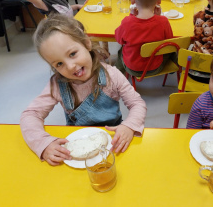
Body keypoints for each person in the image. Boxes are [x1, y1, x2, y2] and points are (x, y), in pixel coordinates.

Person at [20, 14, 147, 166]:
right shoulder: (57, 85)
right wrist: (43, 143)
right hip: (76, 148)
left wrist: (129, 126)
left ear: (87, 44)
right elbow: (30, 115)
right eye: (59, 64)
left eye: (72, 54)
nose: (70, 66)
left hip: (114, 142)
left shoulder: (112, 75)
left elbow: (137, 103)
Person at [115, 0, 173, 77]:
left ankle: (116, 76)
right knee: (171, 51)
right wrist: (158, 17)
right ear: (159, 0)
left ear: (132, 0)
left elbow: (119, 39)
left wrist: (131, 16)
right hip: (156, 67)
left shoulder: (127, 22)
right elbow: (169, 41)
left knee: (121, 50)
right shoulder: (163, 21)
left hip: (132, 69)